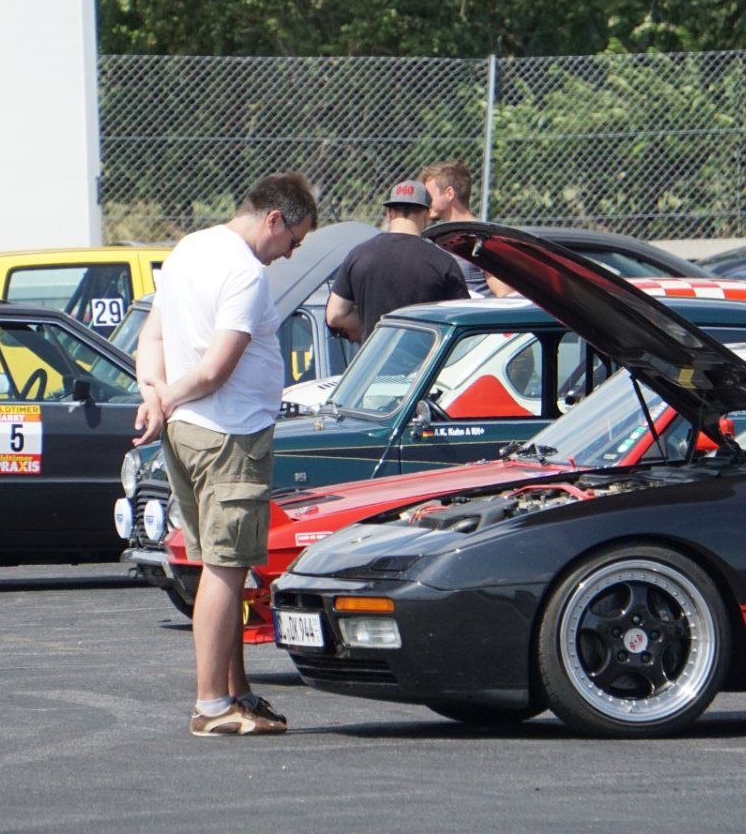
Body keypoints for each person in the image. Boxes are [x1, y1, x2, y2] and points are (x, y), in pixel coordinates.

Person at [132, 172, 317, 737]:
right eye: (294, 240)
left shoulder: (189, 248)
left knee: (225, 567)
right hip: (228, 435)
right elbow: (216, 369)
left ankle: (237, 693)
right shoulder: (245, 273)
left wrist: (153, 394)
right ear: (273, 219)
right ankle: (212, 705)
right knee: (225, 568)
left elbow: (152, 337)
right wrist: (165, 397)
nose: (291, 253)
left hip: (188, 433)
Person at [327, 180, 470, 342]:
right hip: (426, 357)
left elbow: (335, 315)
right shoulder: (443, 262)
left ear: (389, 213)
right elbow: (463, 320)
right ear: (426, 214)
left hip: (376, 356)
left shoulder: (359, 255)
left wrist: (378, 329)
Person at [419, 159, 511, 297]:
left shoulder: (483, 240)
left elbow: (505, 297)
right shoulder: (435, 239)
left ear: (449, 194)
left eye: (429, 196)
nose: (426, 202)